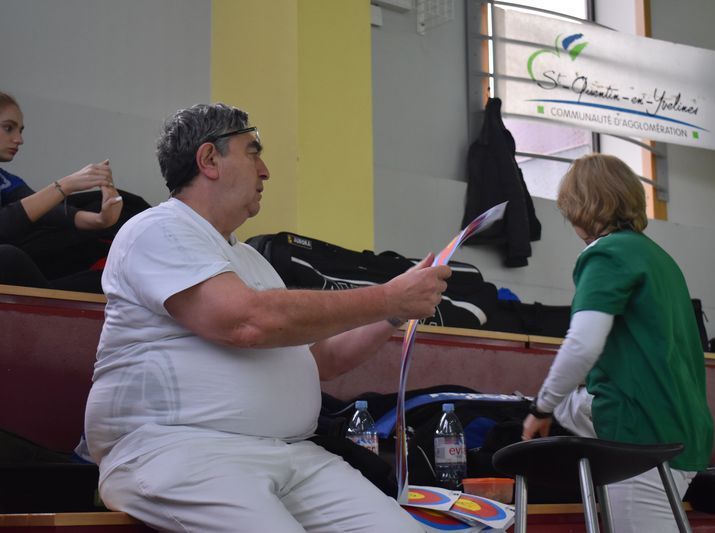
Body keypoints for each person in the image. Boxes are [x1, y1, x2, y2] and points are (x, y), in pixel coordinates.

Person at [83, 102, 451, 532]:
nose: (266, 171)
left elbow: (323, 360)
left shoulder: (250, 260)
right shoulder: (157, 229)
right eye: (253, 152)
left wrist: (394, 312)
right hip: (179, 448)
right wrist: (387, 297)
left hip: (289, 453)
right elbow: (244, 322)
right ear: (209, 159)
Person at [521, 154, 714, 533]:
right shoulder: (659, 258)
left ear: (581, 207)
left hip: (638, 434)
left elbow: (581, 344)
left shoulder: (606, 254)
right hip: (683, 427)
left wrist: (541, 407)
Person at [0, 91, 123, 290]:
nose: (19, 139)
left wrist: (100, 219)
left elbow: (44, 210)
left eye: (20, 131)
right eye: (8, 128)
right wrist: (65, 185)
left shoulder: (5, 179)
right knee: (7, 257)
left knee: (112, 279)